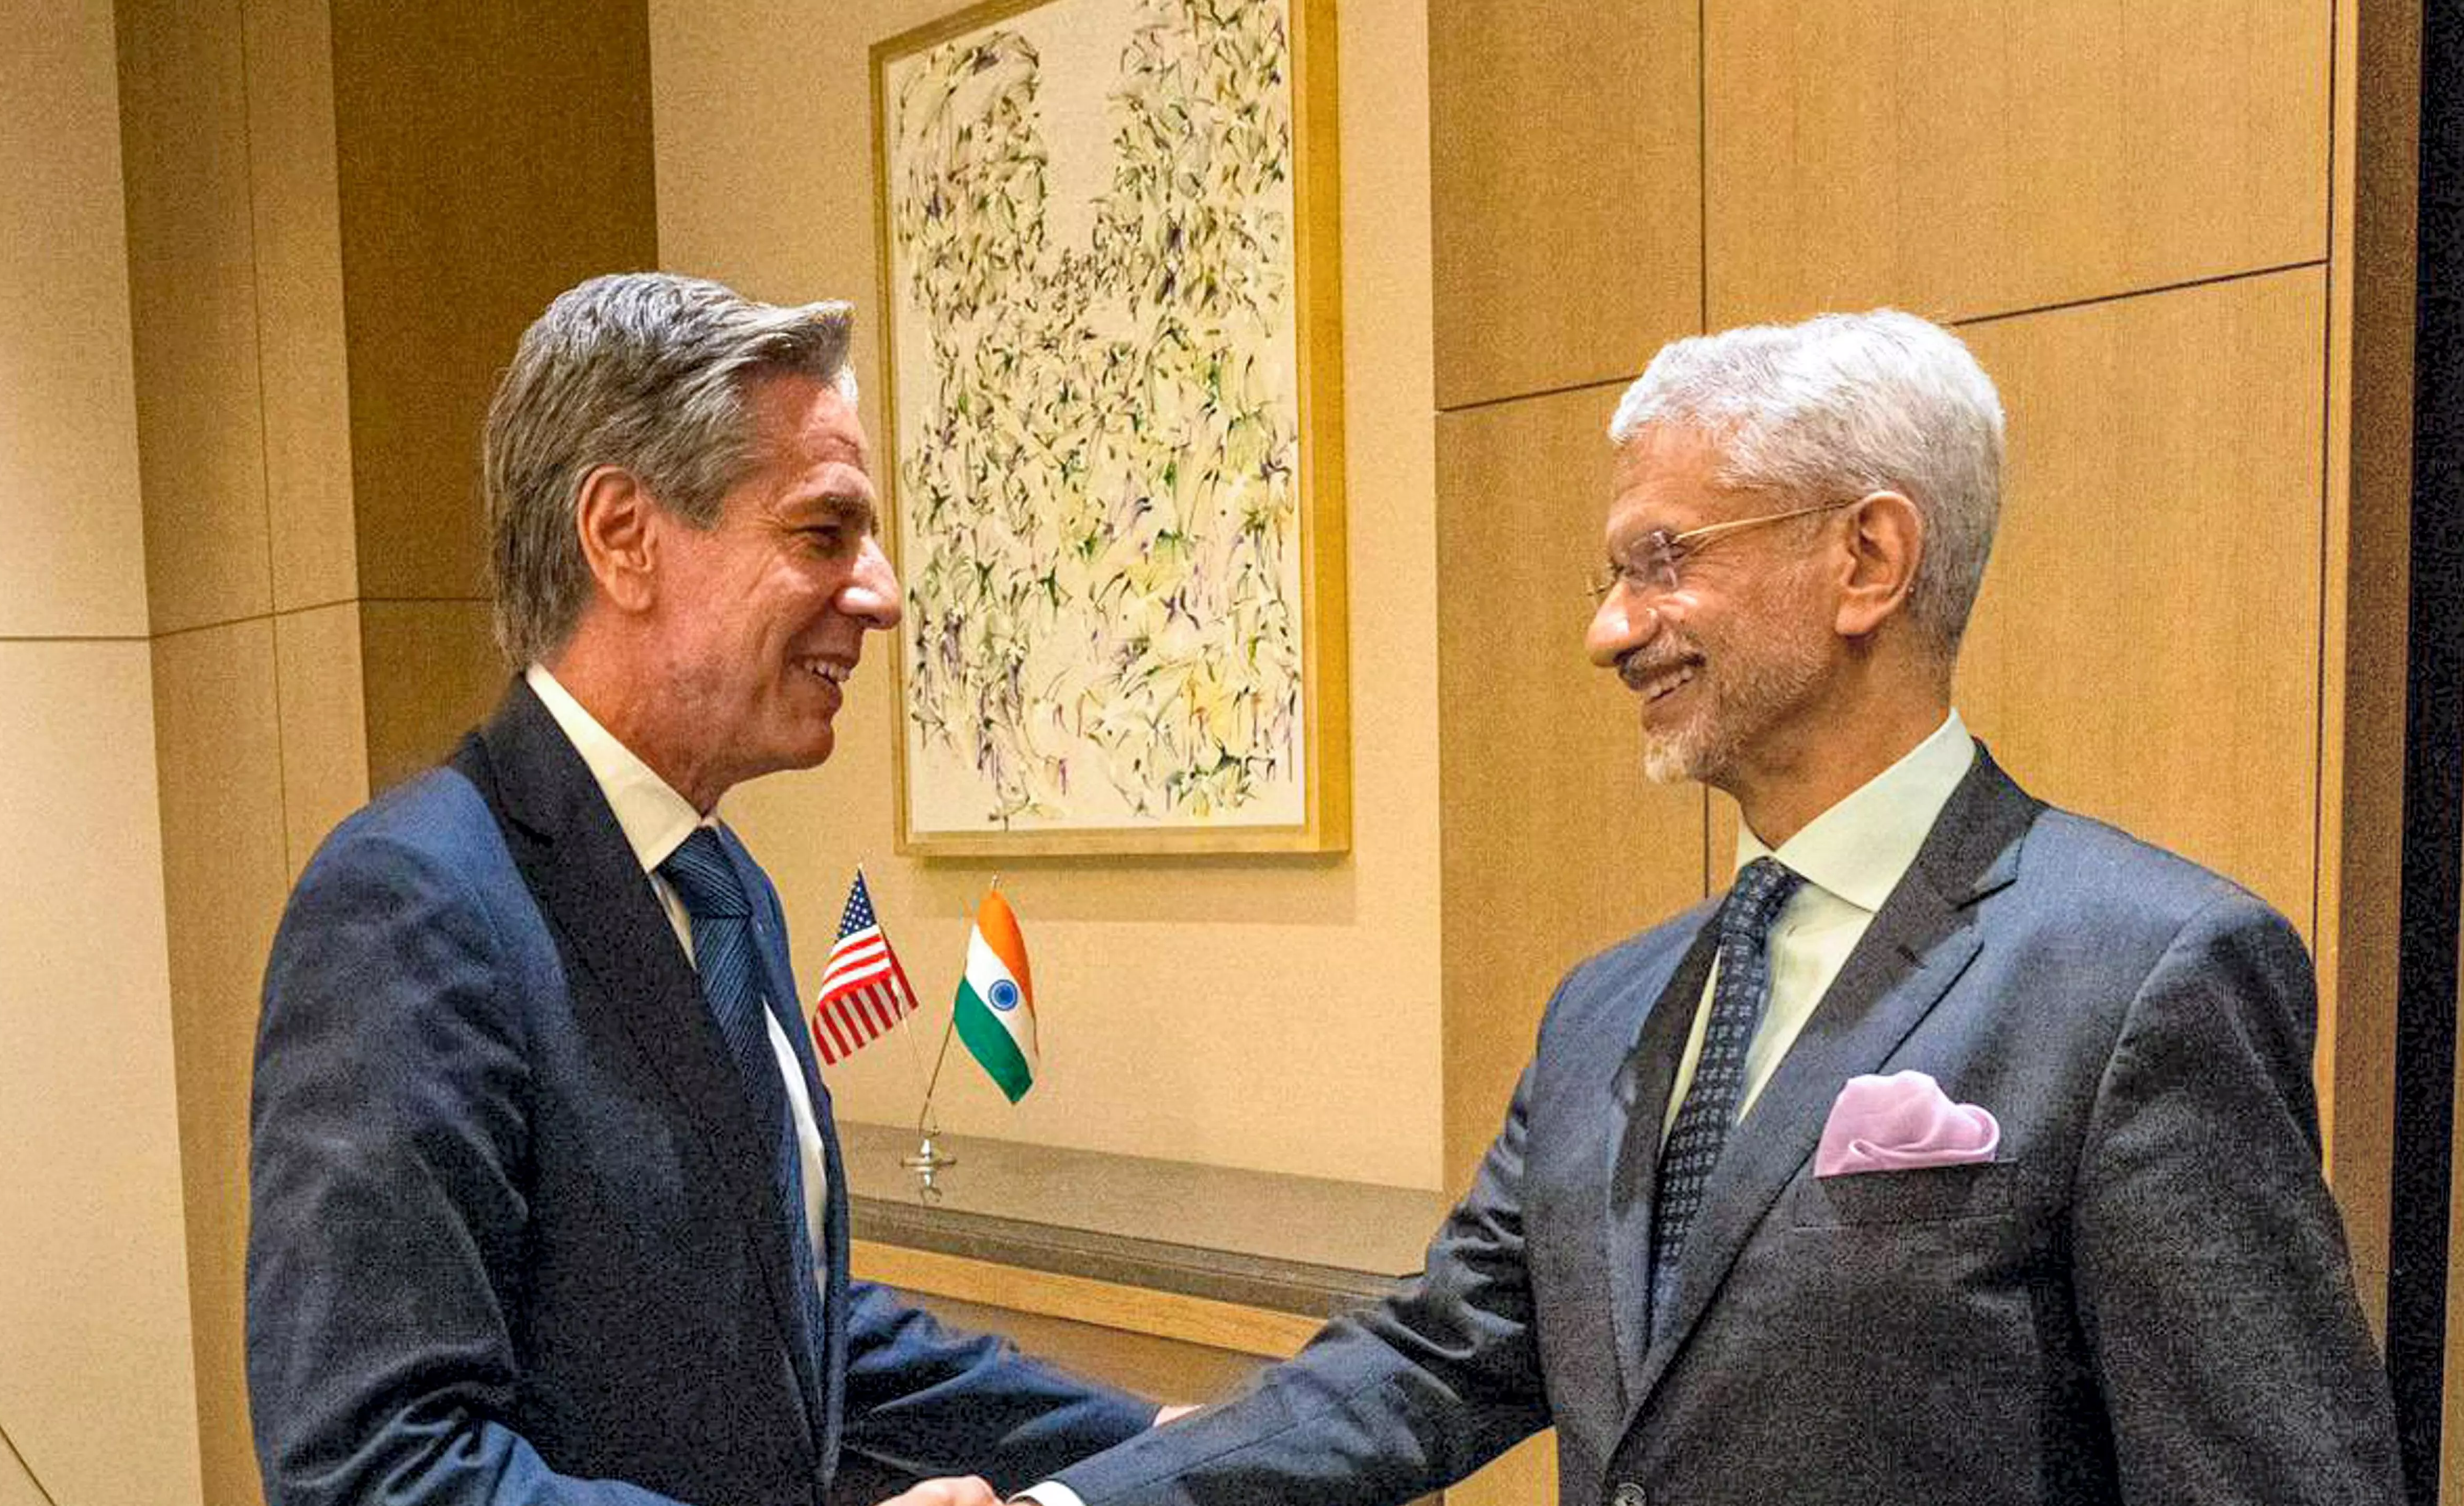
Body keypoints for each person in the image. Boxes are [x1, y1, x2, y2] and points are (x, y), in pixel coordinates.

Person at [1027, 311, 2403, 1505]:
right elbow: (1434, 1358)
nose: (1611, 629)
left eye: (1661, 558)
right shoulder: (1606, 1010)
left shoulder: (2144, 974)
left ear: (1868, 556)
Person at [247, 273, 1159, 1506]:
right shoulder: (409, 907)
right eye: (823, 533)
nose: (881, 594)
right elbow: (381, 1466)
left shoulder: (725, 889)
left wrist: (1166, 1438)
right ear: (624, 535)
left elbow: (795, 1336)